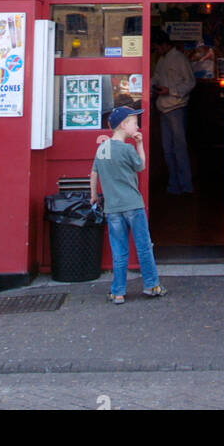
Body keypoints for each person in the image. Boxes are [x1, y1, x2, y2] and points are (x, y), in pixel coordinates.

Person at [90, 106, 167, 303]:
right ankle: (151, 285)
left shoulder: (103, 148)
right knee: (143, 246)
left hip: (113, 208)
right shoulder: (127, 148)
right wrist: (140, 145)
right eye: (134, 122)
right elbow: (140, 166)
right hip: (133, 204)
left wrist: (93, 195)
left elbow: (94, 173)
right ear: (124, 125)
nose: (137, 125)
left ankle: (118, 291)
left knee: (119, 250)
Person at [151, 34, 196, 195]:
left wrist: (171, 91)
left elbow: (190, 82)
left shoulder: (179, 59)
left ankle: (185, 185)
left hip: (176, 108)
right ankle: (174, 185)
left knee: (179, 149)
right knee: (168, 150)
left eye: (156, 47)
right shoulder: (162, 60)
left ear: (163, 45)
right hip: (164, 109)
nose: (155, 50)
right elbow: (156, 77)